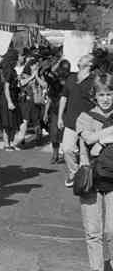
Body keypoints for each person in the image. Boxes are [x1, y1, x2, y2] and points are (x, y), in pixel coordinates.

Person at [75, 72, 113, 271]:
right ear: (95, 96)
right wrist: (105, 138)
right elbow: (87, 139)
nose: (106, 98)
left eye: (109, 93)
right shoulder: (85, 116)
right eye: (102, 94)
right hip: (91, 177)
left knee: (111, 230)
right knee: (93, 229)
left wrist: (99, 140)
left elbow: (93, 139)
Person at [59, 54, 95, 188]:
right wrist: (60, 117)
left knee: (85, 153)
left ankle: (84, 180)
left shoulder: (94, 80)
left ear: (90, 64)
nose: (80, 58)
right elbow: (64, 97)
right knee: (67, 149)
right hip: (70, 120)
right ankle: (74, 173)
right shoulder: (71, 77)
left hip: (87, 122)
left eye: (85, 57)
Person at [43, 59, 70, 164]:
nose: (64, 70)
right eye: (63, 68)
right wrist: (45, 112)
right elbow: (49, 98)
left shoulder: (71, 80)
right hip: (55, 111)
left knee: (65, 134)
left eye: (66, 68)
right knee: (54, 134)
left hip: (67, 111)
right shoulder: (55, 81)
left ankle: (63, 154)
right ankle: (55, 154)